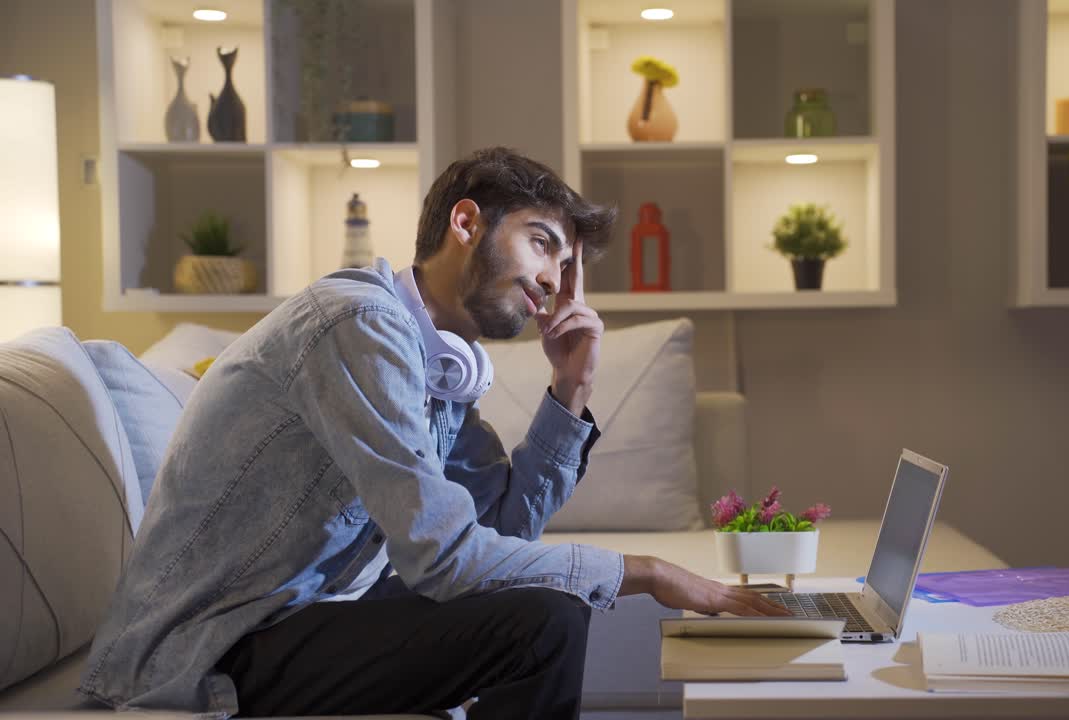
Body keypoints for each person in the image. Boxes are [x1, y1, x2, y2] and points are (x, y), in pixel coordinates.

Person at [79, 147, 787, 720]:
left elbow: (503, 533)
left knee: (548, 606)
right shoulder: (359, 324)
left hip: (301, 620)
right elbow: (443, 558)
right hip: (215, 645)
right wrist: (648, 572)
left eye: (567, 267)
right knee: (546, 623)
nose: (553, 280)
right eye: (542, 244)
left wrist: (571, 387)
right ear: (466, 222)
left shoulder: (438, 365)